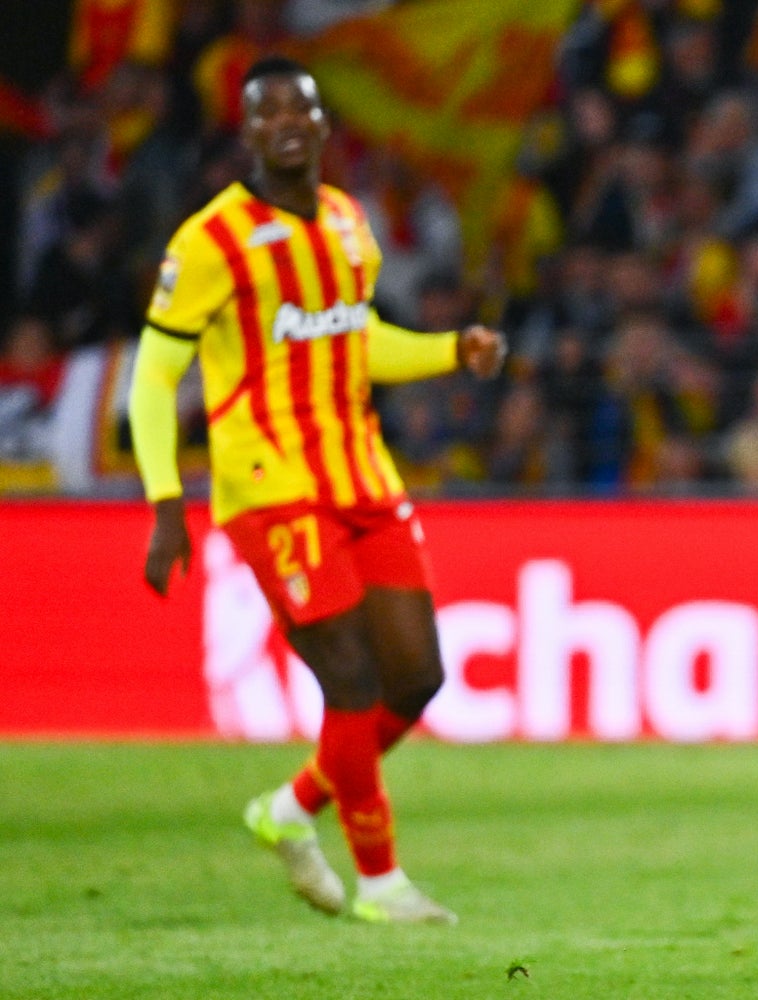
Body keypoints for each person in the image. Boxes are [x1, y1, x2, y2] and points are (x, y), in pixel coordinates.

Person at [129, 58, 504, 925]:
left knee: (418, 679)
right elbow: (153, 378)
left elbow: (354, 340)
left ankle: (291, 807)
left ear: (324, 125)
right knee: (352, 678)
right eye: (268, 112)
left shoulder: (345, 220)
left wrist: (451, 349)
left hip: (363, 475)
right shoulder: (209, 241)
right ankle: (381, 882)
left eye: (302, 107)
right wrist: (163, 504)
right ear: (248, 132)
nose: (288, 123)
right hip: (271, 485)